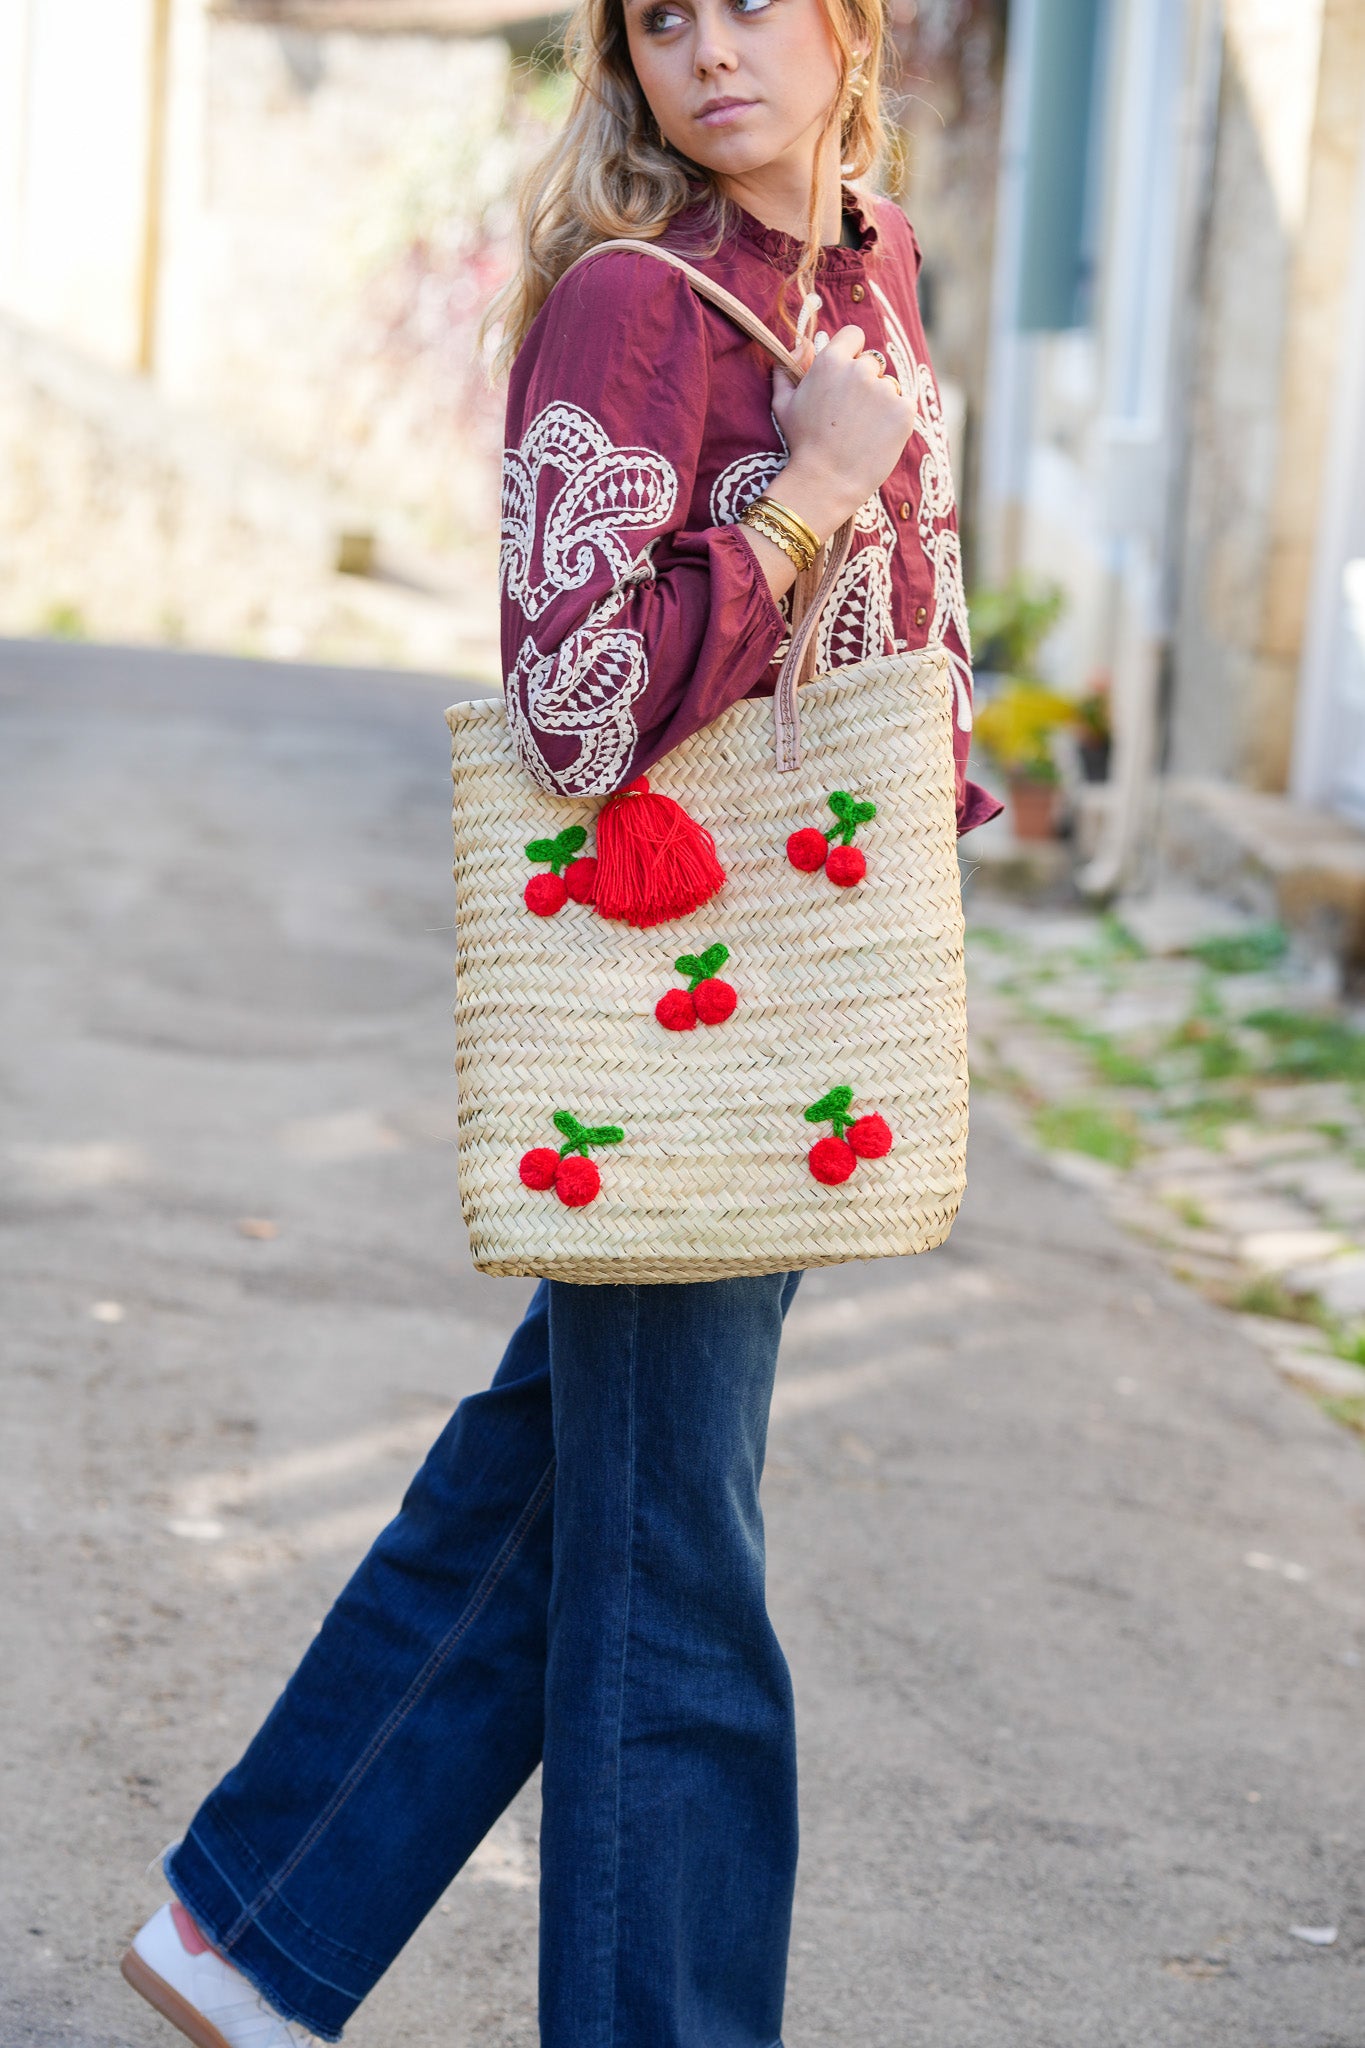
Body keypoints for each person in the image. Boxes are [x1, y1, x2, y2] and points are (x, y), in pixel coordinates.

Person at [120, 0, 998, 2041]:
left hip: (802, 981)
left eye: (745, 2)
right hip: (665, 989)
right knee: (670, 1565)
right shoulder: (637, 302)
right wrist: (799, 502)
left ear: (848, 25)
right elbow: (572, 708)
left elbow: (899, 623)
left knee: (560, 1479)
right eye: (657, 15)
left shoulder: (868, 265)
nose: (702, 48)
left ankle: (250, 1927)